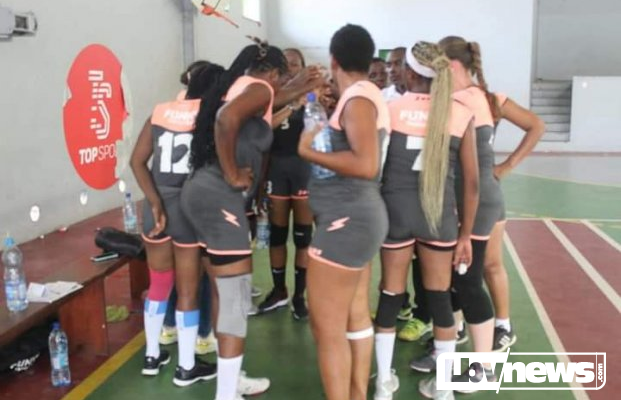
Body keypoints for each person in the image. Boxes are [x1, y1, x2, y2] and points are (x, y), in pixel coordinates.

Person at [181, 39, 288, 400]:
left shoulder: (239, 84)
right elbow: (226, 119)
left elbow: (239, 117)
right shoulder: (259, 89)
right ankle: (226, 394)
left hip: (200, 192)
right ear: (273, 74)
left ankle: (231, 380)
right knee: (236, 299)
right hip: (218, 195)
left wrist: (299, 90)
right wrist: (232, 173)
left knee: (222, 292)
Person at [375, 42, 479, 400]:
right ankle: (444, 389)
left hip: (395, 212)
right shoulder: (460, 113)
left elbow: (374, 166)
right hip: (439, 215)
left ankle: (383, 383)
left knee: (391, 295)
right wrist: (466, 235)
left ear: (409, 72)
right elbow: (472, 183)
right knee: (439, 299)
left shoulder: (389, 108)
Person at [298, 24, 389, 400]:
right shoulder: (362, 95)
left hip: (347, 220)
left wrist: (308, 151)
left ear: (333, 60)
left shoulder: (358, 100)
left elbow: (365, 164)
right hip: (357, 217)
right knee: (354, 317)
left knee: (327, 328)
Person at [438, 36, 545, 355]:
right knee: (486, 264)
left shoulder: (473, 101)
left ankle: (490, 333)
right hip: (483, 193)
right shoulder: (480, 98)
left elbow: (536, 125)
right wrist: (502, 168)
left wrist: (506, 165)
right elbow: (536, 126)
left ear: (452, 65)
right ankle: (486, 328)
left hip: (476, 195)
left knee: (475, 269)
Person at [130, 62, 223, 384]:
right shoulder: (211, 117)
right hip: (188, 209)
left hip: (155, 207)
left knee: (158, 284)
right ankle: (186, 366)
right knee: (188, 291)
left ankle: (152, 356)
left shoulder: (160, 112)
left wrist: (155, 200)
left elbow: (136, 161)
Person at [159, 61, 216, 356]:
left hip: (165, 199)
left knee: (173, 274)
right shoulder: (205, 114)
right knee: (199, 276)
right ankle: (202, 335)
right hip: (194, 203)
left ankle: (167, 328)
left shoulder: (168, 109)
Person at [257, 48, 314, 319]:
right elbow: (262, 131)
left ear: (303, 67)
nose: (290, 68)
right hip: (276, 171)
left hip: (303, 171)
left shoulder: (312, 95)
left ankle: (300, 296)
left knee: (303, 238)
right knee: (277, 236)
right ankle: (279, 290)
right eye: (285, 64)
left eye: (294, 64)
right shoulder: (270, 96)